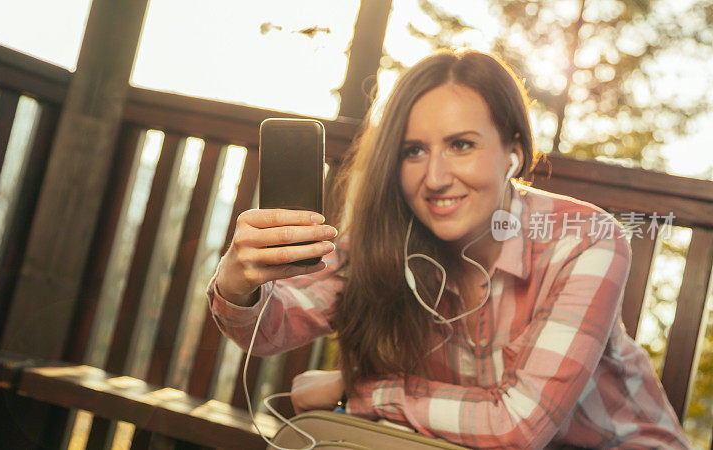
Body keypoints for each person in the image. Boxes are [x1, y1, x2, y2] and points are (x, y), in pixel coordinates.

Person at [206, 49, 690, 449]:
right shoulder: (387, 239)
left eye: (461, 145)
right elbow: (270, 330)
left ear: (514, 153)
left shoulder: (586, 240)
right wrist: (237, 280)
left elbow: (515, 427)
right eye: (413, 151)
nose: (434, 178)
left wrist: (359, 391)